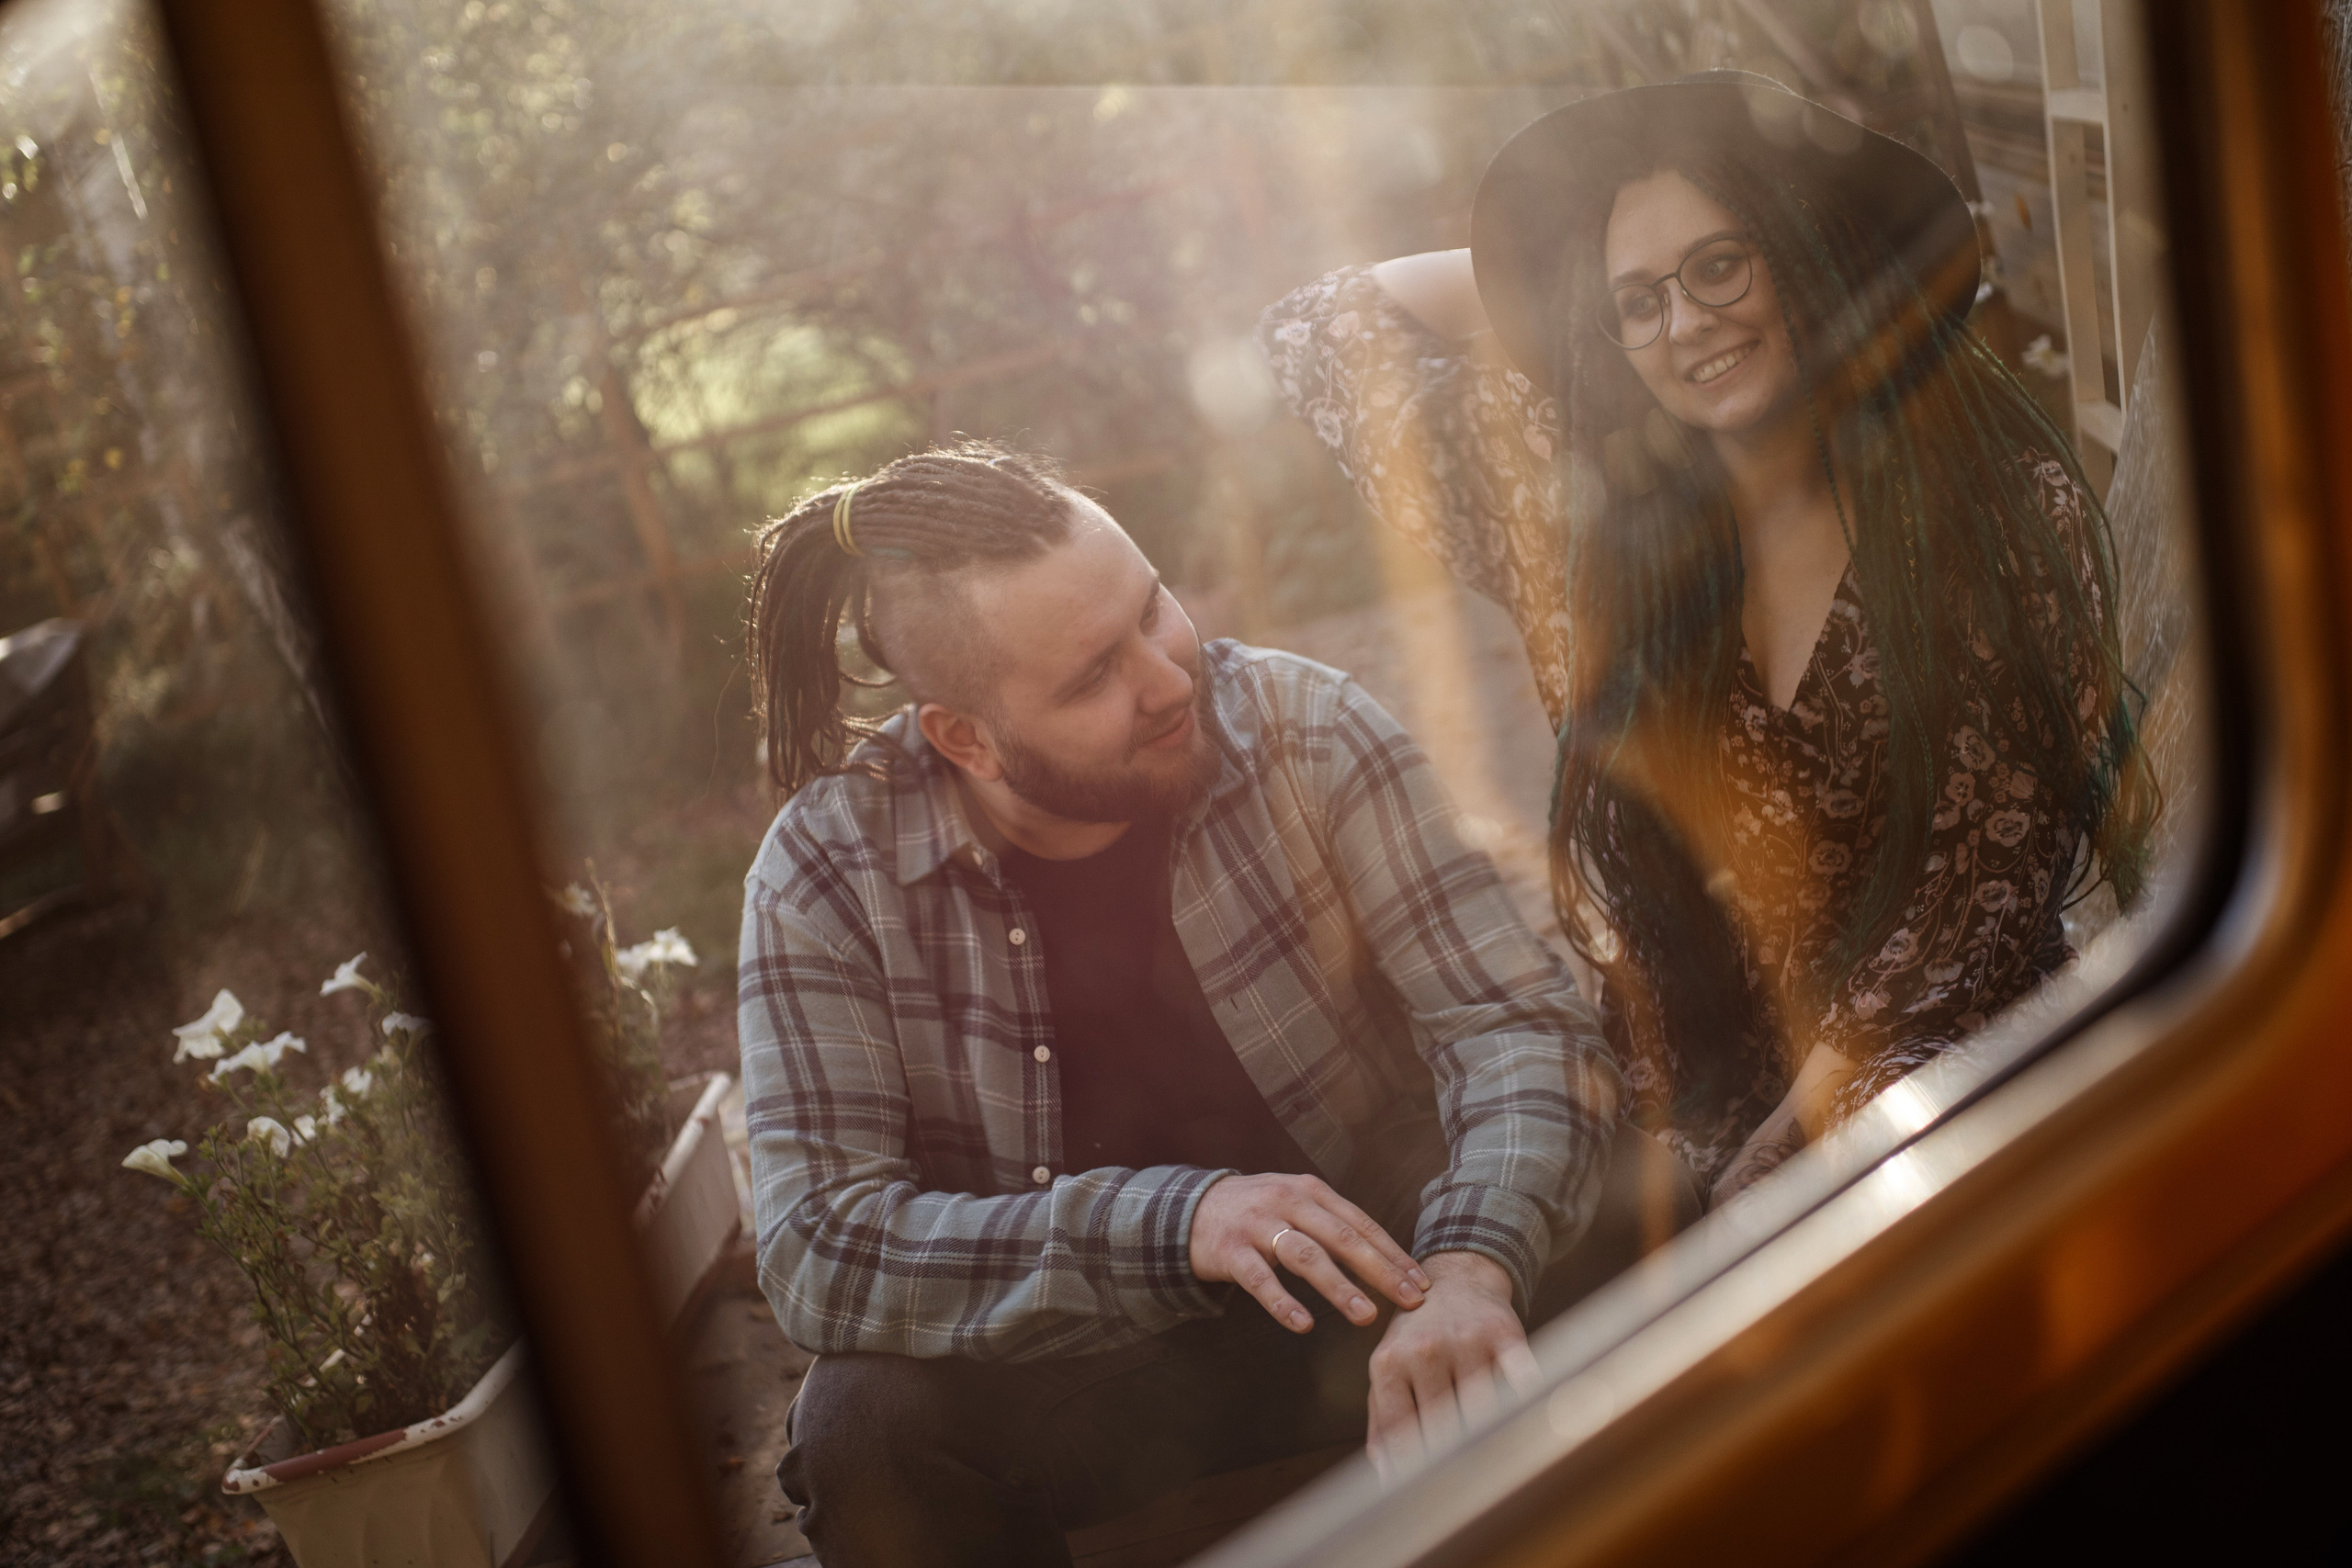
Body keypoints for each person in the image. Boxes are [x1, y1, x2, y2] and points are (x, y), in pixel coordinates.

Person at [737, 441, 1690, 1566]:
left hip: (1392, 1270)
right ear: (964, 737)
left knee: (1648, 1191)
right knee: (863, 1432)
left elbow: (1513, 1024)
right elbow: (818, 1247)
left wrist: (1473, 1267)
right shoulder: (822, 877)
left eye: (1154, 606)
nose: (1168, 677)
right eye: (1093, 676)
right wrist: (1176, 1222)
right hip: (1094, 1355)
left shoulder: (1307, 728)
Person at [1260, 72, 2152, 1203]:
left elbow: (1969, 905)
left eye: (1719, 266)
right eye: (1636, 301)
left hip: (1947, 1077)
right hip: (1694, 1102)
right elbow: (1313, 330)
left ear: (1805, 253)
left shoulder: (1999, 516)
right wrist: (1537, 295)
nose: (1686, 324)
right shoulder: (1591, 530)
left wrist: (1776, 1159)